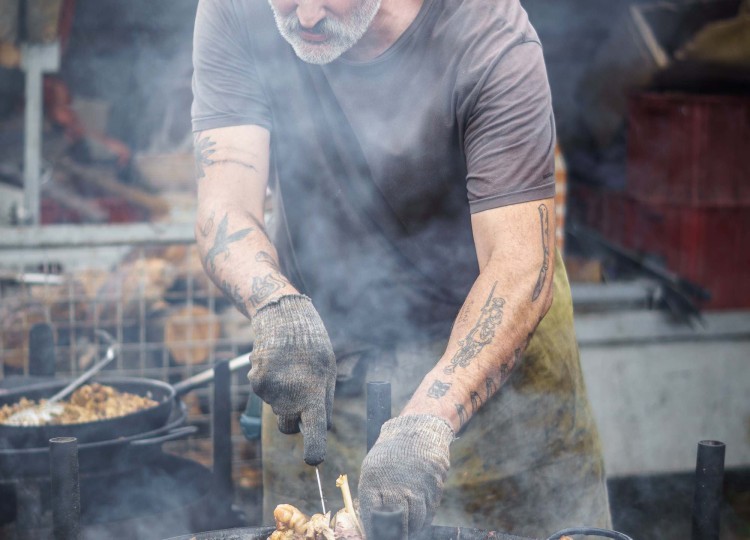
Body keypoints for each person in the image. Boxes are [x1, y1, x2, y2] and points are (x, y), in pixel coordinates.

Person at [191, 0, 612, 537]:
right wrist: (275, 303)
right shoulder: (236, 9)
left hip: (504, 401)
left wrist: (426, 423)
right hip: (331, 381)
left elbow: (517, 265)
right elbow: (225, 203)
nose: (308, 16)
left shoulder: (488, 31)